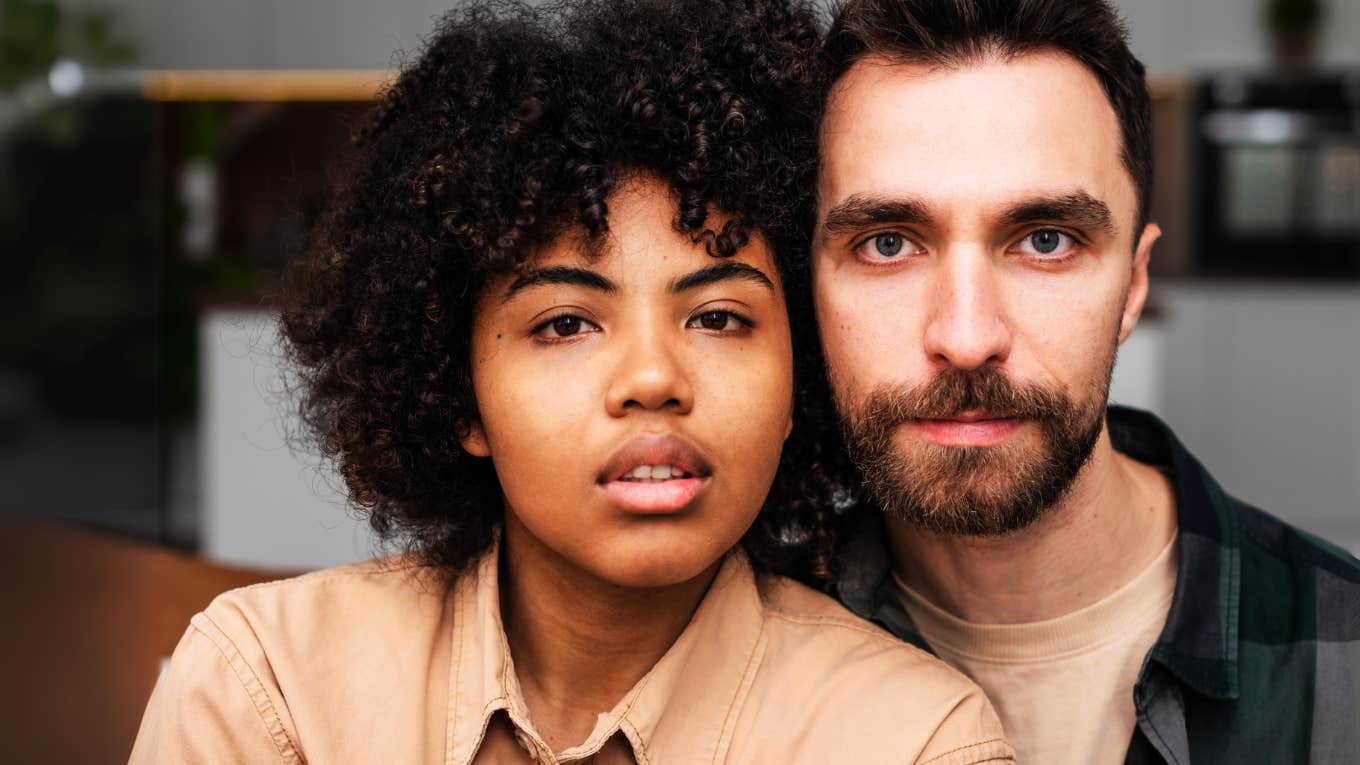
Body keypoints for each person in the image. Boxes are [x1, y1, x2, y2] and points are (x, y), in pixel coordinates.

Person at [129, 1, 1015, 763]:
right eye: (566, 323)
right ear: (459, 387)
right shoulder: (269, 692)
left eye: (718, 318)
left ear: (800, 380)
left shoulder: (917, 739)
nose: (653, 379)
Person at [804, 0, 1360, 762]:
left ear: (1134, 285)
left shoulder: (1344, 655)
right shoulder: (724, 647)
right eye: (888, 242)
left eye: (1045, 239)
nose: (967, 338)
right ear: (809, 287)